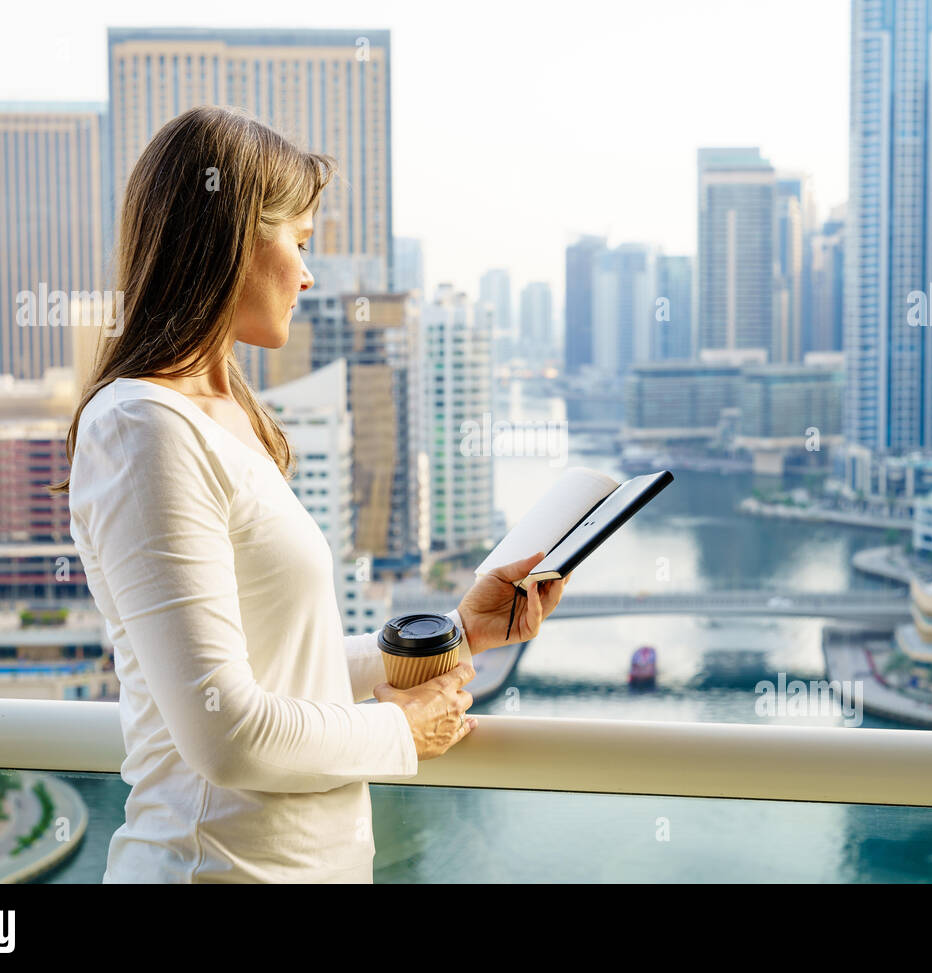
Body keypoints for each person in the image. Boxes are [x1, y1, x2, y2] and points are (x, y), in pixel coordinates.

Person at [53, 105, 569, 882]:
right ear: (229, 240)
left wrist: (458, 633)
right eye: (297, 241)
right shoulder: (142, 427)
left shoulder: (229, 418)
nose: (307, 272)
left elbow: (284, 665)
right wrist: (399, 729)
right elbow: (227, 730)